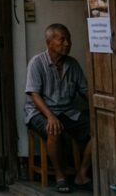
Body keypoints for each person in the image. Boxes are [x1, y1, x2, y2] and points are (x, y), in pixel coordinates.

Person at [24, 23, 92, 193]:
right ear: (49, 43)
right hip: (39, 112)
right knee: (53, 129)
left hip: (66, 111)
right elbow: (34, 95)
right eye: (62, 40)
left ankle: (81, 174)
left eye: (69, 39)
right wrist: (50, 116)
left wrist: (100, 109)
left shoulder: (72, 64)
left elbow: (85, 91)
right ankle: (60, 177)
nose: (67, 43)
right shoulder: (37, 63)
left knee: (98, 129)